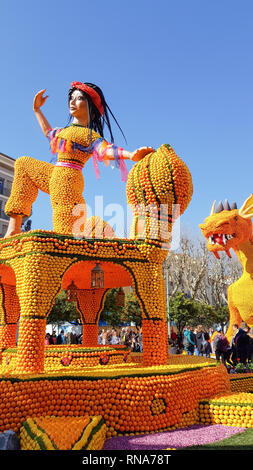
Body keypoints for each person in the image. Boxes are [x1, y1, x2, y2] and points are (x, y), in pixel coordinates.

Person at [4, 82, 154, 238]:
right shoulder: (63, 131)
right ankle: (14, 227)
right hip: (54, 174)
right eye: (71, 98)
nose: (72, 102)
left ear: (92, 110)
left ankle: (98, 231)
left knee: (66, 235)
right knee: (23, 164)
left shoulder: (90, 136)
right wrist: (37, 110)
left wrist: (130, 155)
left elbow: (106, 150)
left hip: (68, 183)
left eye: (79, 98)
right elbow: (48, 132)